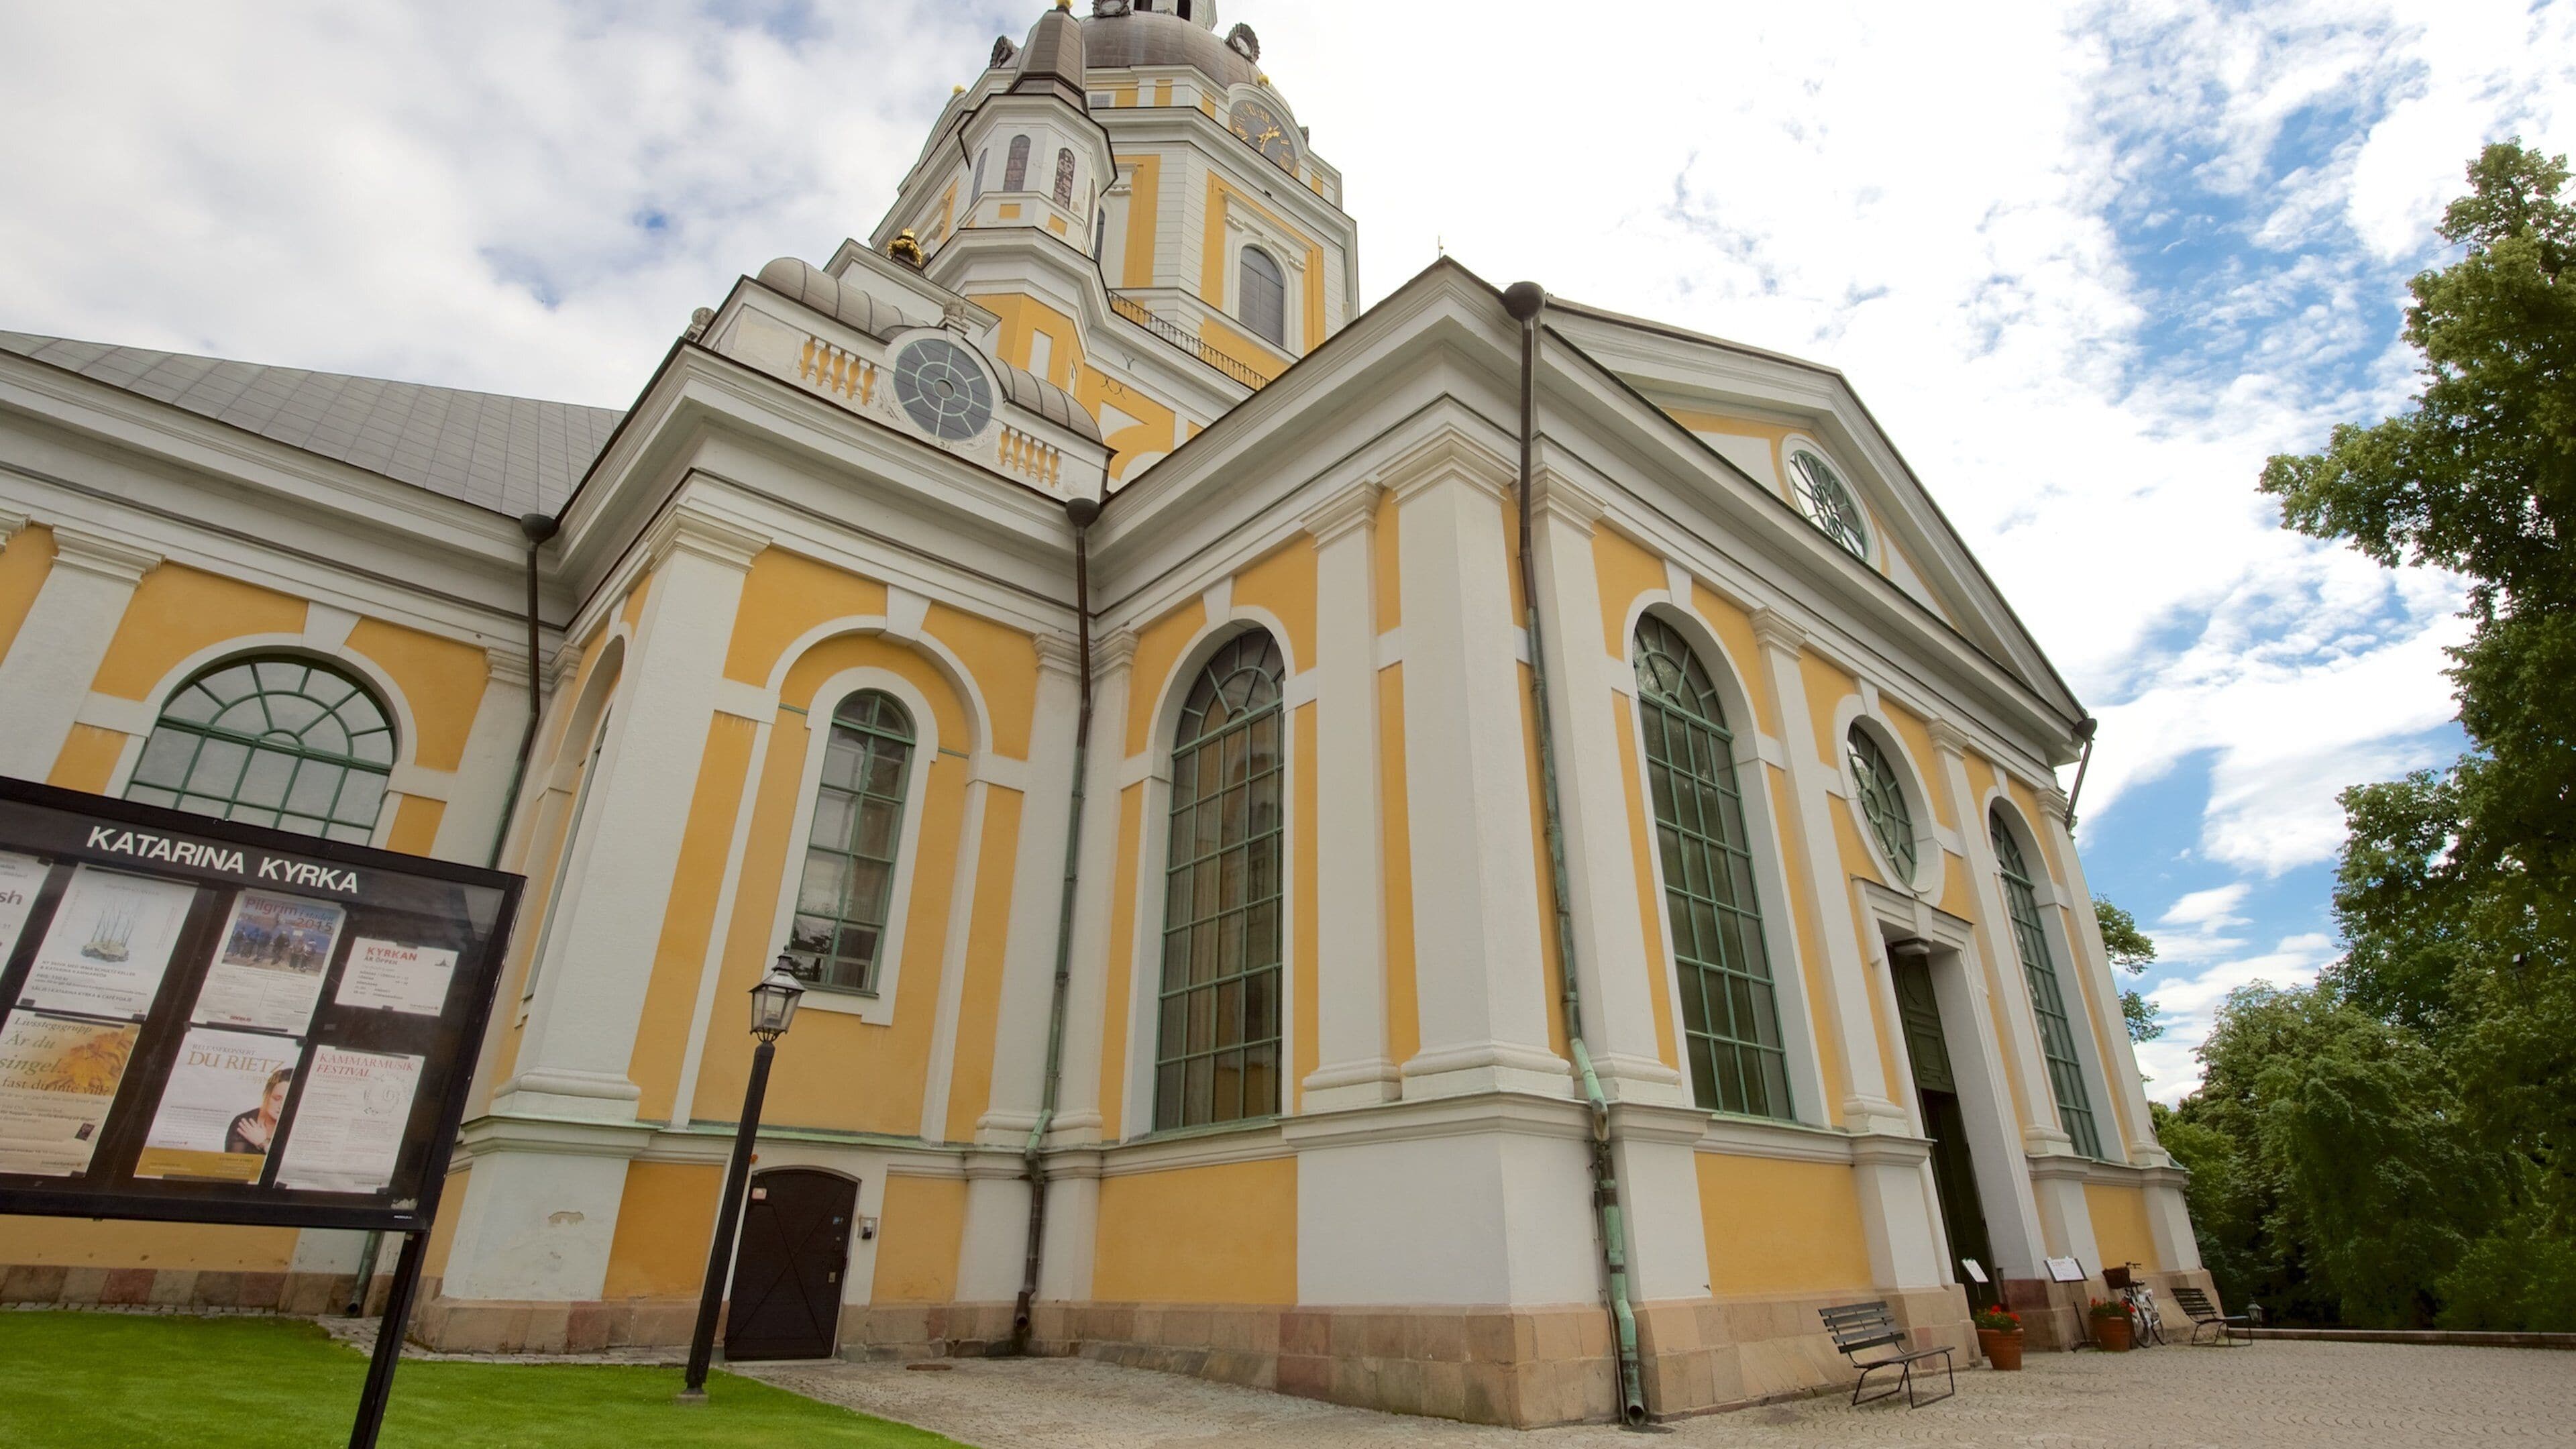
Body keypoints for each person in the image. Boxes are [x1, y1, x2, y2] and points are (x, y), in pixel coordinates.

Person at [226, 1067, 292, 1154]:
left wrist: (264, 1143)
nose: (282, 1106)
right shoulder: (245, 1122)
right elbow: (232, 1163)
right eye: (277, 1099)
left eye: (289, 1100)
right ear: (267, 1096)